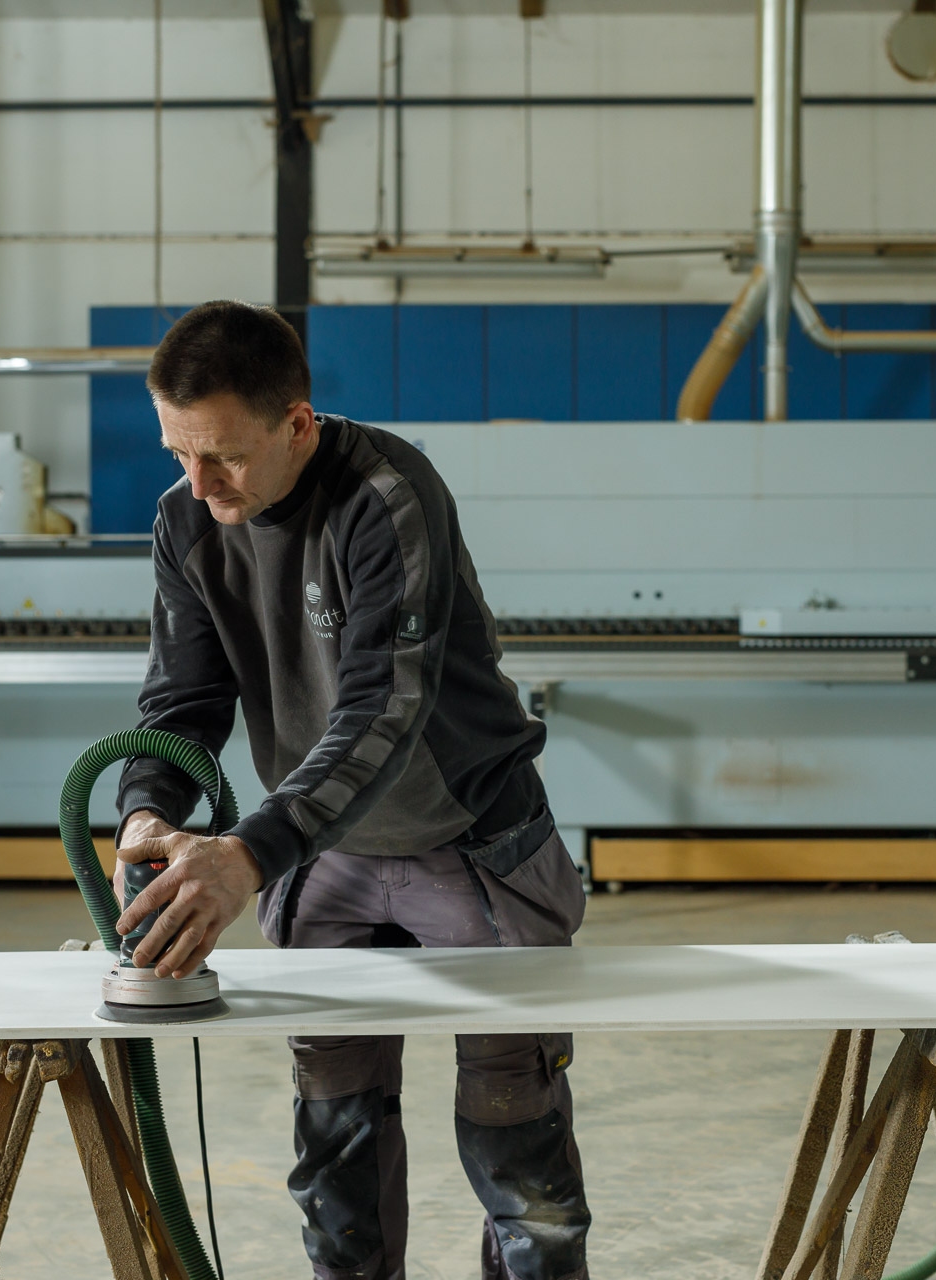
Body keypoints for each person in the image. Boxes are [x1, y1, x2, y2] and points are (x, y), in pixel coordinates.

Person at [109, 300, 590, 1280]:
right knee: (335, 1144)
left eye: (225, 457)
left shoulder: (385, 493)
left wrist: (243, 853)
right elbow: (184, 697)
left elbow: (382, 710)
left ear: (298, 423)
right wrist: (151, 805)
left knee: (517, 1149)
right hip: (321, 849)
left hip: (469, 844)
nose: (200, 486)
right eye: (179, 454)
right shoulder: (184, 519)